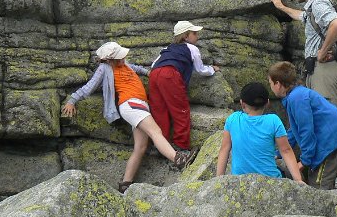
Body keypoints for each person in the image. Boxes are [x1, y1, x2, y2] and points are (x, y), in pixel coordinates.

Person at [61, 41, 194, 193]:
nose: (123, 58)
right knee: (155, 131)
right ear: (110, 60)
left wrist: (149, 73)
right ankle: (179, 160)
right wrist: (72, 100)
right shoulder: (104, 68)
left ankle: (125, 184)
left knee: (140, 147)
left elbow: (137, 68)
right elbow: (89, 87)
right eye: (120, 57)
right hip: (131, 105)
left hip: (139, 105)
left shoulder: (125, 65)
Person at [269, 0, 337, 189]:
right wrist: (281, 7)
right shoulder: (311, 7)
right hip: (317, 70)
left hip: (324, 69)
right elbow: (300, 16)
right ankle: (336, 181)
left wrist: (322, 52)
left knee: (328, 127)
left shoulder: (319, 3)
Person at [268, 61, 337, 190]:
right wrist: (278, 152)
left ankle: (332, 201)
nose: (270, 87)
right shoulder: (296, 95)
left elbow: (306, 130)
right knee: (317, 179)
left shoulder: (297, 98)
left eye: (270, 83)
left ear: (278, 84)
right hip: (335, 137)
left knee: (319, 186)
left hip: (332, 141)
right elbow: (294, 131)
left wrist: (305, 161)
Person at [149, 20, 220, 153]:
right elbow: (200, 69)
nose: (197, 36)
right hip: (170, 74)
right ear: (186, 36)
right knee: (180, 110)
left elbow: (154, 64)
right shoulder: (192, 48)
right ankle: (181, 146)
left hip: (154, 75)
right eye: (194, 33)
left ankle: (160, 146)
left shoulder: (168, 48)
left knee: (159, 111)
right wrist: (212, 69)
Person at [216, 82, 303, 183]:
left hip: (239, 181)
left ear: (242, 104)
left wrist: (218, 180)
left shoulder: (233, 119)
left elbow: (224, 149)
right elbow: (286, 150)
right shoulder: (273, 120)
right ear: (267, 103)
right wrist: (298, 180)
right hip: (270, 180)